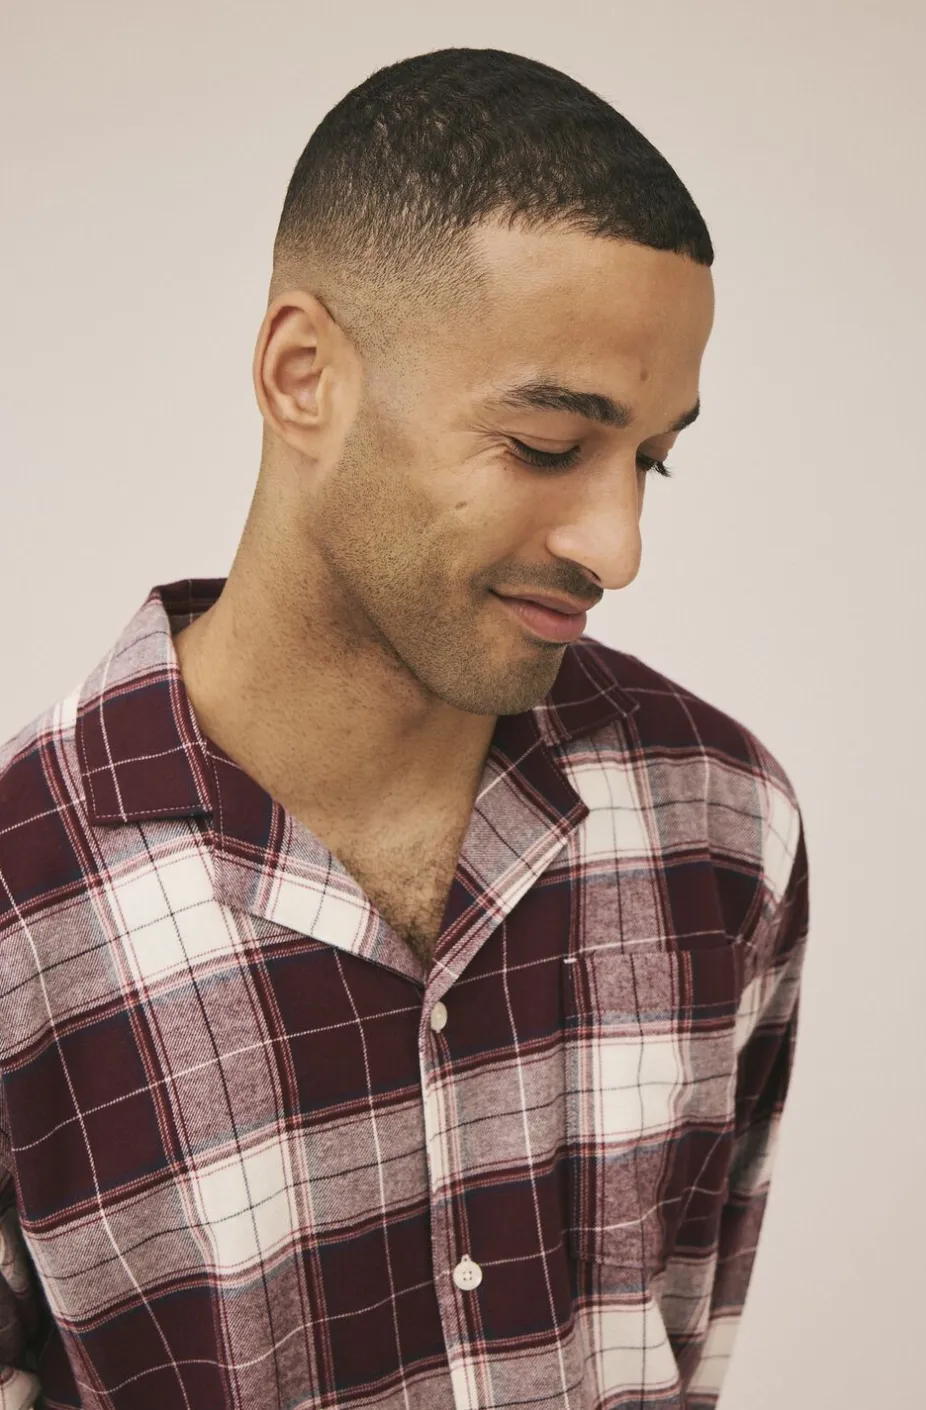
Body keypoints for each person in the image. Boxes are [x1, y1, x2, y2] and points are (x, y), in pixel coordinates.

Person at [0, 45, 809, 1410]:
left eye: (652, 460)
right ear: (304, 375)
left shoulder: (724, 821)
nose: (619, 548)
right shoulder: (25, 900)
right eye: (547, 445)